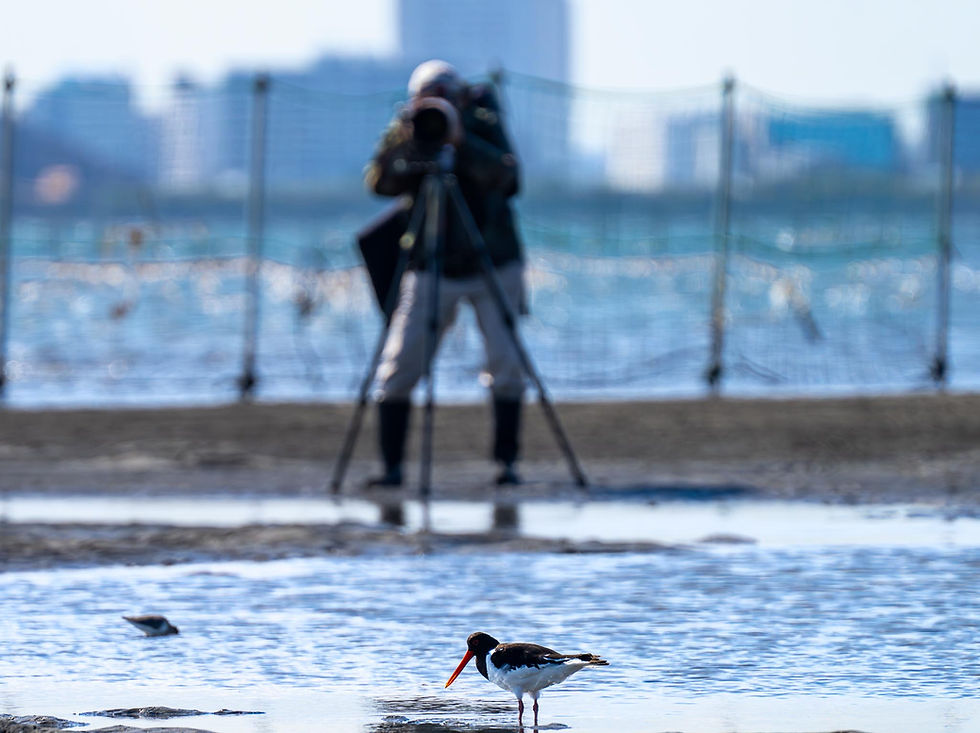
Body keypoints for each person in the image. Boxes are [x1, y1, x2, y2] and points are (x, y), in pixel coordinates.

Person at [363, 59, 526, 488]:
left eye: (445, 96)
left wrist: (461, 142)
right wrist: (410, 138)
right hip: (429, 262)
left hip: (492, 260)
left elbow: (509, 178)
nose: (436, 106)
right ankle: (392, 467)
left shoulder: (482, 123)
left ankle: (507, 463)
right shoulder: (408, 128)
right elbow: (379, 183)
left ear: (462, 97)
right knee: (400, 364)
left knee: (506, 362)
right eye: (427, 98)